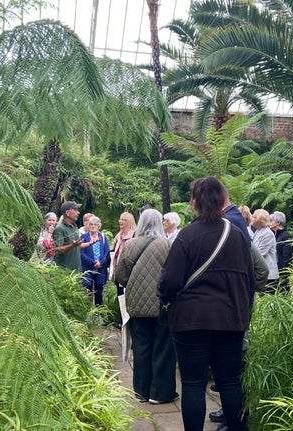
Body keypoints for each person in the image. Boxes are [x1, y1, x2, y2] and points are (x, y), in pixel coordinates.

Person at [159, 176, 254, 431]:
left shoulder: (187, 236)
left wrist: (167, 301)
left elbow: (168, 282)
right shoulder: (236, 235)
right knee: (230, 382)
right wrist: (244, 314)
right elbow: (252, 278)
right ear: (224, 201)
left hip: (191, 321)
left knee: (192, 384)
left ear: (194, 204)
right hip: (231, 319)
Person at [115, 209, 178, 405]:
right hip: (161, 304)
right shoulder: (166, 244)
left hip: (137, 305)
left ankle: (141, 392)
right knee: (163, 348)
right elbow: (173, 274)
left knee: (141, 348)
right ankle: (160, 392)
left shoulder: (130, 244)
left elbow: (120, 276)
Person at [80, 216, 110, 307]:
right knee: (87, 291)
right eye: (91, 224)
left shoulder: (103, 237)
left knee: (99, 291)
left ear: (99, 226)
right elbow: (81, 253)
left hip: (101, 268)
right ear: (88, 226)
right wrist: (93, 263)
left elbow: (107, 252)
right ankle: (88, 313)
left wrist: (101, 262)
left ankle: (99, 313)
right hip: (88, 267)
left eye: (95, 224)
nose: (93, 226)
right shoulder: (83, 236)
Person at [250, 209, 278, 292]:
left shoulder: (267, 234)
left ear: (260, 220)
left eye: (254, 217)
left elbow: (261, 253)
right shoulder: (258, 232)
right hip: (260, 272)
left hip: (269, 275)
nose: (251, 218)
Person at [111, 212, 137, 295]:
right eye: (120, 219)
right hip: (118, 271)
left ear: (129, 221)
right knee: (120, 295)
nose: (120, 221)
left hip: (129, 271)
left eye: (123, 219)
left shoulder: (134, 235)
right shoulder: (118, 236)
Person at [53, 201, 83, 272]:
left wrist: (90, 244)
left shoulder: (74, 226)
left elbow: (77, 246)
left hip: (77, 270)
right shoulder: (59, 229)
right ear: (67, 213)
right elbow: (57, 250)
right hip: (64, 271)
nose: (78, 213)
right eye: (75, 210)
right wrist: (72, 246)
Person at [270, 211, 293, 290]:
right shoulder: (275, 235)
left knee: (283, 291)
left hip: (281, 271)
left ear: (277, 222)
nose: (269, 222)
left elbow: (287, 256)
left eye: (271, 220)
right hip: (275, 270)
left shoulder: (286, 236)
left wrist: (283, 273)